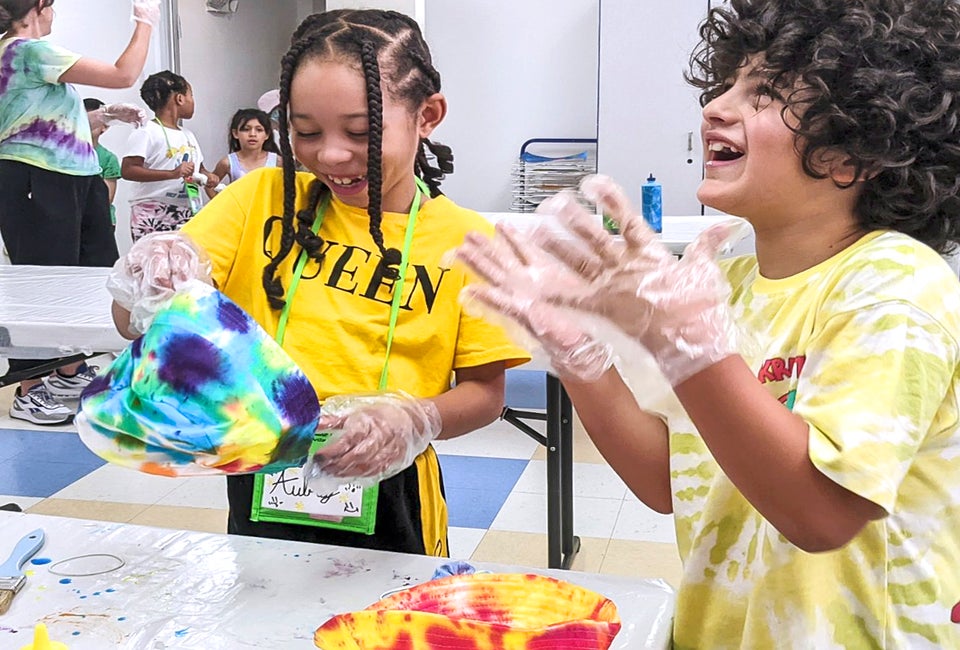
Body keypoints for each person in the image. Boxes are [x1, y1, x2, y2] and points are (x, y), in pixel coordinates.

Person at [456, 0, 960, 647]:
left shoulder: (895, 286)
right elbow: (669, 479)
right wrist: (578, 353)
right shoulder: (733, 284)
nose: (716, 108)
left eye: (766, 94)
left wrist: (687, 346)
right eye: (725, 84)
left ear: (853, 152)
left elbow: (822, 514)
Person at [110, 9, 529, 556]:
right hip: (265, 471)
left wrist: (416, 418)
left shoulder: (469, 242)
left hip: (391, 481)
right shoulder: (258, 201)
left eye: (361, 131)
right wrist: (151, 280)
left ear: (428, 115)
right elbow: (128, 324)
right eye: (305, 131)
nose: (330, 154)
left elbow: (485, 394)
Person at [0, 0, 160, 425]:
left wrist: (102, 115)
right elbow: (123, 74)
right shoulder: (25, 49)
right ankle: (29, 387)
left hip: (74, 174)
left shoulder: (29, 58)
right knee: (42, 285)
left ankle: (69, 371)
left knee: (91, 274)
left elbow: (40, 115)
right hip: (36, 177)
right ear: (38, 7)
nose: (55, 15)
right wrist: (145, 22)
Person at [121, 70, 219, 242]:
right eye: (191, 95)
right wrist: (172, 174)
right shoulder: (146, 131)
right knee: (154, 262)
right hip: (153, 210)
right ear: (180, 99)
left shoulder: (189, 135)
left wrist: (209, 176)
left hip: (188, 209)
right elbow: (128, 170)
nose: (193, 101)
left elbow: (199, 169)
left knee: (185, 263)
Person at [205, 108, 280, 197]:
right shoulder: (228, 163)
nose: (252, 134)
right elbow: (209, 185)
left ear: (267, 135)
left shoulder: (277, 162)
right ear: (235, 133)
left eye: (259, 130)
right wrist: (223, 207)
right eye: (246, 129)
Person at [83, 98, 123, 229]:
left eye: (93, 121)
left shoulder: (108, 159)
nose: (86, 125)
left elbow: (107, 199)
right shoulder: (62, 155)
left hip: (100, 222)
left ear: (105, 126)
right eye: (82, 120)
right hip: (69, 220)